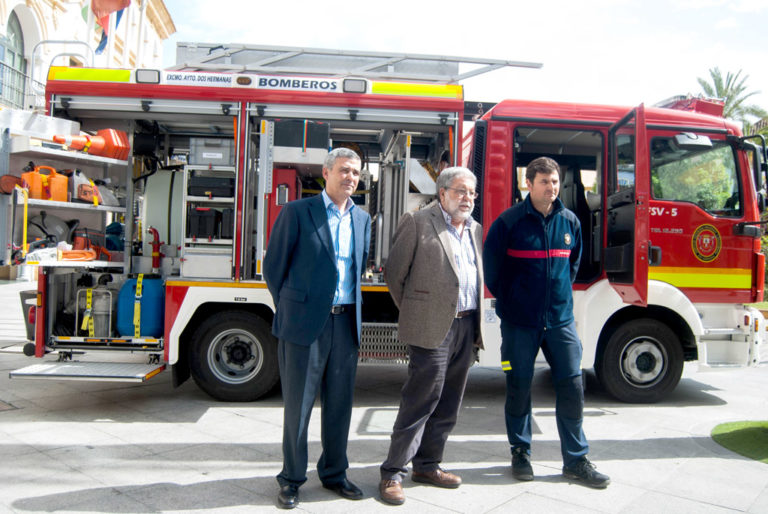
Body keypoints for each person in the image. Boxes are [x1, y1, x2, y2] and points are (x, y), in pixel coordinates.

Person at [483, 156, 610, 489]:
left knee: (572, 386)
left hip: (560, 323)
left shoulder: (570, 222)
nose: (552, 188)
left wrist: (555, 303)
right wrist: (514, 303)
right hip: (520, 323)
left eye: (555, 182)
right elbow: (493, 272)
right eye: (544, 182)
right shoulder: (508, 223)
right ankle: (520, 452)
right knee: (519, 387)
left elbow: (572, 268)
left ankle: (576, 460)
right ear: (529, 183)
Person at [263, 147, 372, 509]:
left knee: (340, 405)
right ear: (326, 172)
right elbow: (274, 267)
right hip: (304, 326)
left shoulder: (362, 219)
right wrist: (295, 309)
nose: (350, 178)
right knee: (299, 406)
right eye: (343, 170)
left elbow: (359, 269)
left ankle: (335, 474)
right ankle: (292, 479)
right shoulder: (298, 212)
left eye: (356, 172)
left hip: (345, 324)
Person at [379, 167, 484, 505]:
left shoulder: (475, 230)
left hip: (467, 327)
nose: (467, 198)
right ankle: (393, 472)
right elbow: (395, 276)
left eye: (471, 192)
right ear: (442, 193)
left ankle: (427, 464)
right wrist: (418, 312)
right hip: (431, 328)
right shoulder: (418, 222)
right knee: (420, 401)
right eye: (460, 191)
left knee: (449, 403)